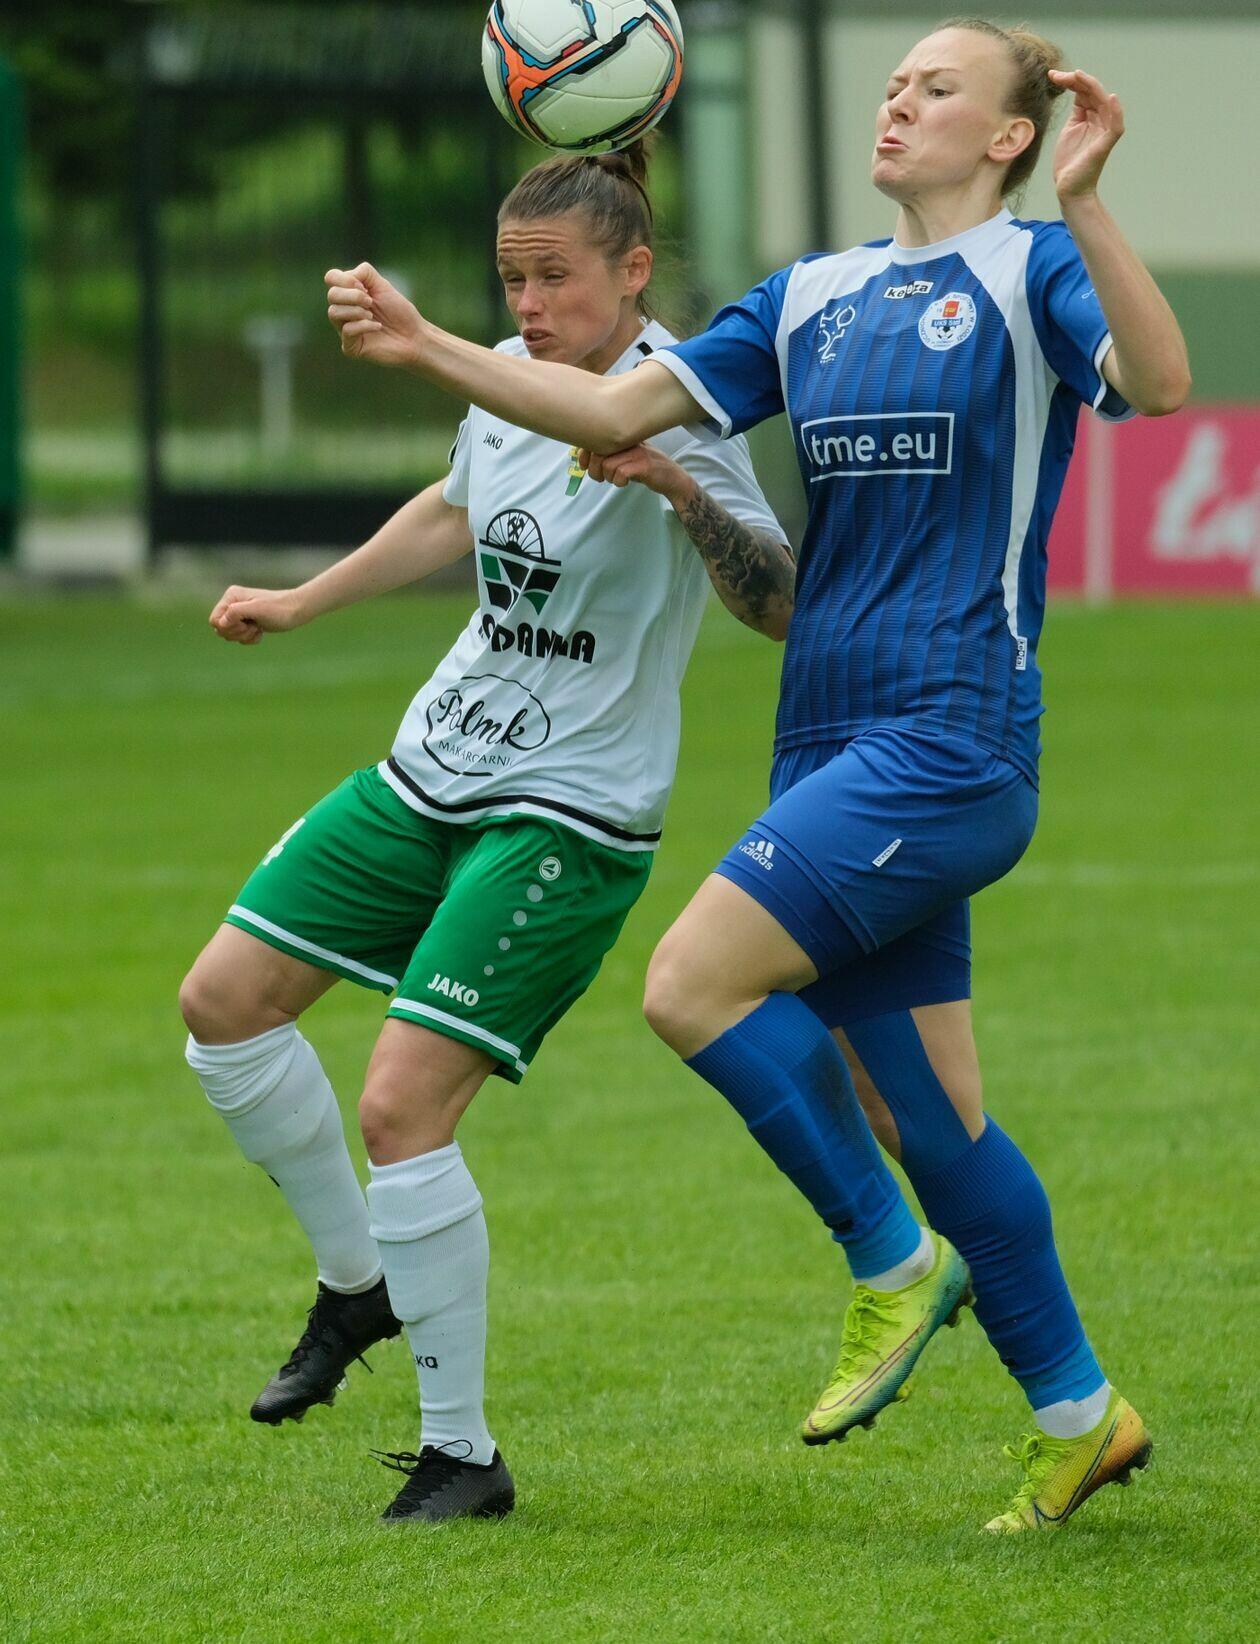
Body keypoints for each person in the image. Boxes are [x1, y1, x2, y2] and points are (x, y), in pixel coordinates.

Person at [323, 17, 1189, 1532]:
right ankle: (1080, 1414)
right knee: (930, 1117)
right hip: (824, 737)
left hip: (951, 735)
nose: (898, 99)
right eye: (895, 80)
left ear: (1010, 136)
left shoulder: (1036, 264)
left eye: (937, 87)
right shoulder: (809, 295)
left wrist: (1089, 198)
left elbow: (1161, 384)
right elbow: (609, 409)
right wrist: (429, 346)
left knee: (691, 984)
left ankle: (891, 1267)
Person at [182, 141, 793, 1524]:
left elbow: (781, 603)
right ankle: (360, 1286)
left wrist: (679, 488)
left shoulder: (686, 400)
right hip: (435, 766)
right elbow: (455, 510)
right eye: (511, 280)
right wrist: (304, 599)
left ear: (633, 272)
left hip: (571, 815)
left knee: (400, 1107)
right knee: (221, 1007)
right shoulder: (506, 383)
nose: (528, 304)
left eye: (555, 278)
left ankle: (462, 1455)